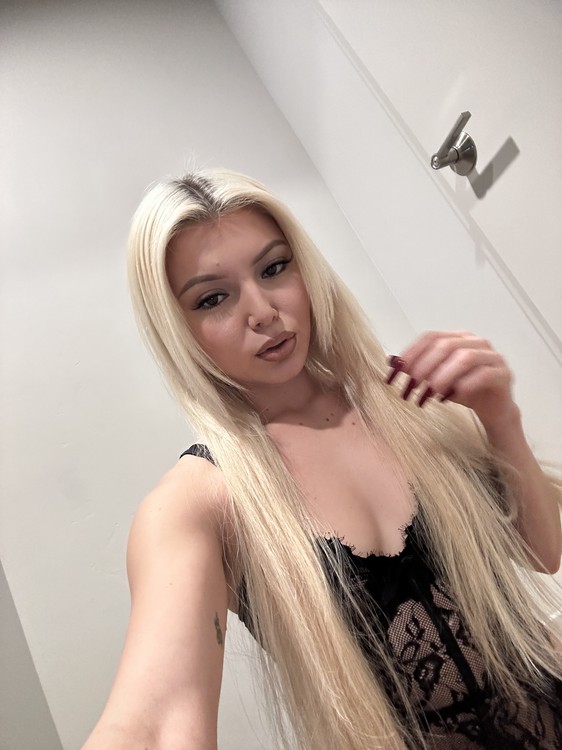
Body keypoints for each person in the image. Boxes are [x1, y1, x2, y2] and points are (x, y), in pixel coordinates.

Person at [82, 169, 562, 750]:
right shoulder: (199, 503)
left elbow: (543, 553)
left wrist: (501, 418)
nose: (263, 310)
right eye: (212, 298)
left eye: (274, 268)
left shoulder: (408, 401)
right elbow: (155, 723)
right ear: (177, 331)